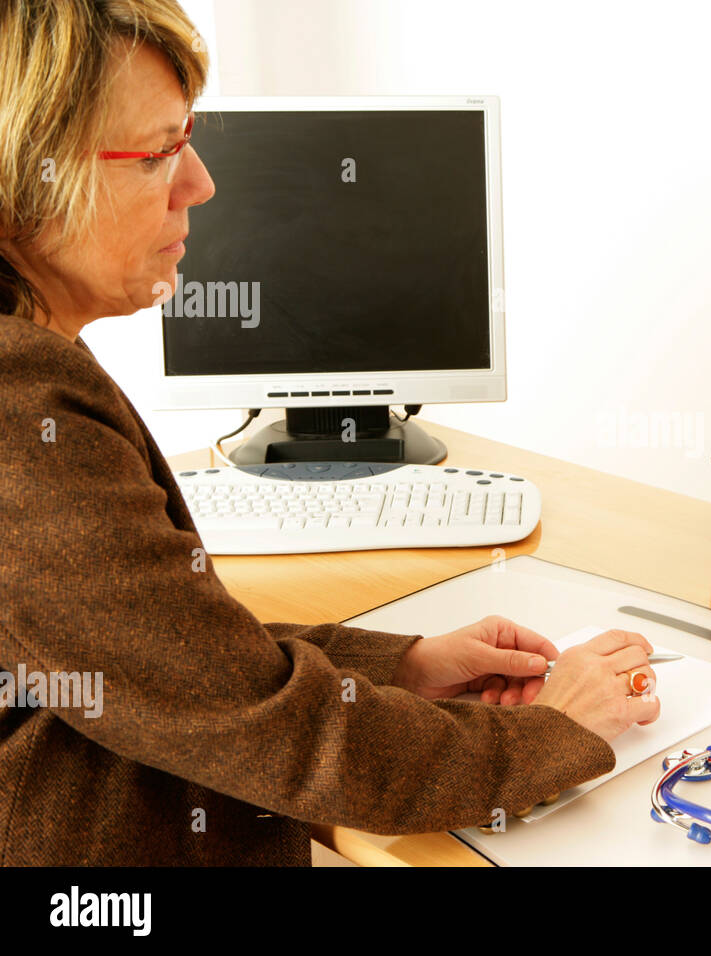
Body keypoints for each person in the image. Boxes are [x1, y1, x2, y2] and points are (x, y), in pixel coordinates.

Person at [0, 0, 658, 866]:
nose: (199, 182)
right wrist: (552, 733)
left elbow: (174, 661)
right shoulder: (21, 410)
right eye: (161, 150)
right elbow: (273, 730)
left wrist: (405, 665)